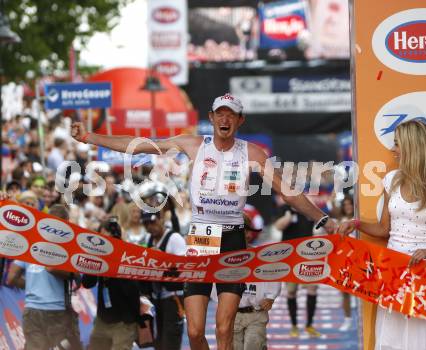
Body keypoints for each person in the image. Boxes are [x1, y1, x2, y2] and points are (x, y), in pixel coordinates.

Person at [72, 93, 336, 350]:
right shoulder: (194, 145)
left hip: (232, 238)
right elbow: (139, 145)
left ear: (240, 120)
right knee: (195, 331)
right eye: (220, 114)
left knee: (224, 328)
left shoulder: (252, 154)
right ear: (211, 118)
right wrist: (89, 137)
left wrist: (324, 219)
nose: (225, 119)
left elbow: (287, 192)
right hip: (201, 238)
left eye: (231, 115)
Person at [339, 120, 426, 350]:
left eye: (397, 144)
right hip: (393, 272)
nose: (393, 150)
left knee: (423, 339)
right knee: (391, 340)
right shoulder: (392, 179)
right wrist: (356, 223)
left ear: (413, 146)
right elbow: (384, 229)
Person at [6, 204, 82, 350]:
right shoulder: (68, 247)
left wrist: (32, 286)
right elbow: (65, 272)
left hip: (31, 311)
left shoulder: (30, 242)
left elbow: (11, 277)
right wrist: (64, 272)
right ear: (66, 223)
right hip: (56, 311)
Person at [82, 217, 141, 350]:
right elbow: (87, 283)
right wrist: (96, 257)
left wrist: (114, 259)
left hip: (124, 322)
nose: (103, 242)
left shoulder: (128, 255)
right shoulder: (98, 255)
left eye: (106, 237)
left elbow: (133, 289)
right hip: (103, 320)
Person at [142, 191, 186, 350]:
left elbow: (185, 269)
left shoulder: (174, 239)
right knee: (158, 342)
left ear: (160, 219)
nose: (150, 227)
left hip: (173, 297)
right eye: (146, 224)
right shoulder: (148, 240)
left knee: (171, 340)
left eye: (152, 223)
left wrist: (163, 259)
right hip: (156, 297)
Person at [231, 215, 281, 350]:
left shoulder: (261, 255)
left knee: (254, 345)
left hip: (256, 313)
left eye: (239, 231)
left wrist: (271, 297)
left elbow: (273, 273)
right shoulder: (221, 259)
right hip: (230, 315)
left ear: (248, 233)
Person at [274, 201, 321, 338]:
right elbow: (278, 226)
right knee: (291, 291)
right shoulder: (284, 208)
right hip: (290, 257)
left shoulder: (309, 208)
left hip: (308, 255)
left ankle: (309, 325)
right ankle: (294, 325)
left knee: (312, 289)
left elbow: (323, 222)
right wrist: (288, 217)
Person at [337, 195, 355, 331]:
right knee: (344, 292)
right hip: (344, 261)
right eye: (345, 204)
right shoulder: (340, 221)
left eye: (350, 204)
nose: (348, 206)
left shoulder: (359, 221)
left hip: (360, 260)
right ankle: (348, 320)